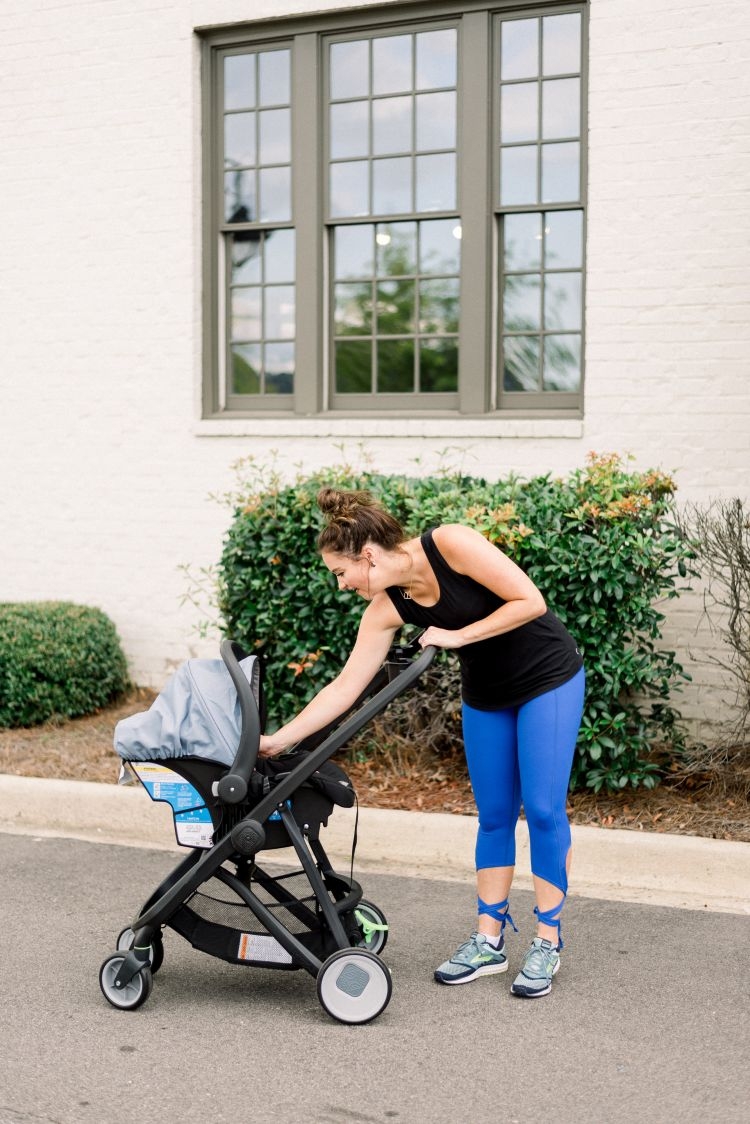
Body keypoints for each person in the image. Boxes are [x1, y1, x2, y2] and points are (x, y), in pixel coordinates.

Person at [259, 487, 586, 999]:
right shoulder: (388, 606)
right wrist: (279, 740)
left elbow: (530, 601)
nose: (342, 585)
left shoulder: (451, 544)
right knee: (495, 815)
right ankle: (488, 941)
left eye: (341, 573)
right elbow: (345, 687)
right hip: (487, 696)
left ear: (366, 556)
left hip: (549, 680)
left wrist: (456, 636)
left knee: (543, 811)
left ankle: (547, 942)